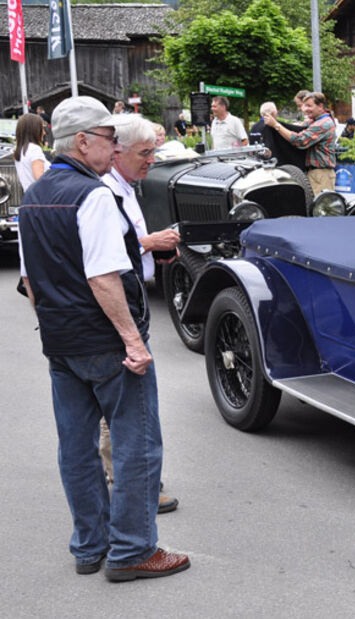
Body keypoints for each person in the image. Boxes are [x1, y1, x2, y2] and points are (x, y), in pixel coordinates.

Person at [17, 95, 190, 580]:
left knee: (76, 446)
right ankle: (133, 550)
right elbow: (103, 277)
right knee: (137, 444)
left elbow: (31, 280)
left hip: (62, 342)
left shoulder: (33, 197)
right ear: (84, 141)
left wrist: (50, 326)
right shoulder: (92, 195)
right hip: (105, 343)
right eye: (110, 138)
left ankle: (89, 546)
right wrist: (133, 342)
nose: (114, 147)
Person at [99, 116, 181, 515]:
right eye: (145, 153)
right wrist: (152, 241)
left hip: (134, 295)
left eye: (154, 151)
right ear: (118, 152)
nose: (152, 160)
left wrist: (153, 249)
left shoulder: (125, 186)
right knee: (128, 401)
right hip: (120, 302)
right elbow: (107, 252)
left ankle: (130, 480)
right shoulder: (105, 190)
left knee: (124, 401)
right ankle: (132, 486)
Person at [263, 91, 338, 194]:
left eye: (309, 106)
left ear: (320, 106)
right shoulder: (314, 121)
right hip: (314, 173)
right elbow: (297, 127)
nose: (305, 109)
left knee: (319, 208)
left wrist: (276, 125)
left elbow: (299, 140)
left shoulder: (323, 124)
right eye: (304, 106)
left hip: (321, 175)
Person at [13, 112, 50, 191]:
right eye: (42, 128)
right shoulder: (34, 149)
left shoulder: (20, 150)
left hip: (30, 198)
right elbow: (40, 180)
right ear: (34, 130)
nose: (44, 132)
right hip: (42, 199)